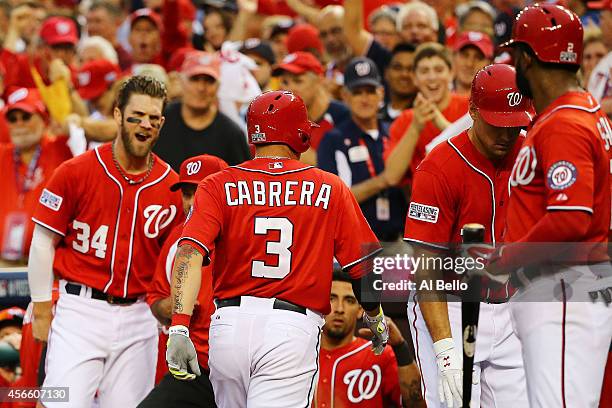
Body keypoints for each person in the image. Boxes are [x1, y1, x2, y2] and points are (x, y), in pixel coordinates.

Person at [166, 90, 390, 408]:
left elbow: (189, 253)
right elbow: (362, 265)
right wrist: (375, 315)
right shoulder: (330, 186)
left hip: (228, 327)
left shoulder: (217, 183)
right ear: (300, 133)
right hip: (289, 329)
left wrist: (179, 326)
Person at [27, 76, 184, 408]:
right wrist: (42, 310)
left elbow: (173, 260)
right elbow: (43, 241)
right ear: (116, 115)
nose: (145, 125)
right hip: (80, 310)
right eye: (136, 116)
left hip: (139, 315)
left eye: (153, 119)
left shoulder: (171, 185)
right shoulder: (76, 171)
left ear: (162, 123)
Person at [488, 4, 612, 407]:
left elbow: (570, 220)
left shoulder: (564, 123)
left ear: (526, 58)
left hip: (562, 287)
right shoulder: (582, 111)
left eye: (515, 55)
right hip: (568, 288)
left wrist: (506, 256)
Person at [404, 64, 533, 408]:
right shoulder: (439, 167)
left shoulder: (529, 153)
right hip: (452, 307)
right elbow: (426, 266)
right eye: (497, 124)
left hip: (511, 307)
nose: (507, 135)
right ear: (473, 112)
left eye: (514, 124)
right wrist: (445, 350)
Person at [139, 154, 227, 408]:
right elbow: (154, 295)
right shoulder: (178, 237)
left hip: (235, 366)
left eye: (199, 193)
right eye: (187, 194)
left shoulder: (241, 235)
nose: (191, 203)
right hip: (193, 365)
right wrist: (167, 306)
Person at [318, 57, 406, 242]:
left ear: (381, 93)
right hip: (355, 244)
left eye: (370, 91)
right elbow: (334, 200)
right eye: (357, 92)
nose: (365, 98)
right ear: (345, 96)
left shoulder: (395, 131)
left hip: (398, 240)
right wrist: (383, 181)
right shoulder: (333, 140)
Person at [314, 270, 424, 407]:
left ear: (360, 310)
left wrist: (400, 347)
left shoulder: (380, 354)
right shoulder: (302, 354)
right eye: (332, 298)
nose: (340, 309)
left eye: (349, 300)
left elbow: (417, 404)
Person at [0, 88, 72, 264]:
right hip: (4, 265)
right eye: (12, 119)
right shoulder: (2, 155)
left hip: (49, 264)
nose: (19, 124)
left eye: (26, 117)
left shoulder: (62, 149)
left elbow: (80, 128)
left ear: (44, 120)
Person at [384, 42, 469, 187]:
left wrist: (442, 125)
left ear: (451, 73)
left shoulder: (470, 107)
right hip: (425, 201)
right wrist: (415, 127)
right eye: (424, 71)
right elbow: (392, 177)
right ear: (415, 78)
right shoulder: (405, 120)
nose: (432, 77)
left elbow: (478, 157)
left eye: (439, 70)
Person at [153, 51, 251, 171]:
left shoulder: (231, 135)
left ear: (218, 86)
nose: (201, 88)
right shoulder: (159, 120)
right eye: (194, 79)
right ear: (181, 81)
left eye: (209, 81)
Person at [274, 51, 350, 165]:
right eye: (285, 82)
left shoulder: (343, 116)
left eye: (298, 81)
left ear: (320, 79)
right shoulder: (280, 120)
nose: (289, 89)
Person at [381, 43, 418, 124]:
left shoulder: (424, 117)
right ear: (386, 73)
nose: (404, 74)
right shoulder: (375, 114)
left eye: (410, 69)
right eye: (397, 68)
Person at [452, 31, 494, 96]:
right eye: (465, 55)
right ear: (453, 57)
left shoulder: (496, 102)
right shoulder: (434, 97)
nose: (469, 64)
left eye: (478, 58)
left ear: (490, 64)